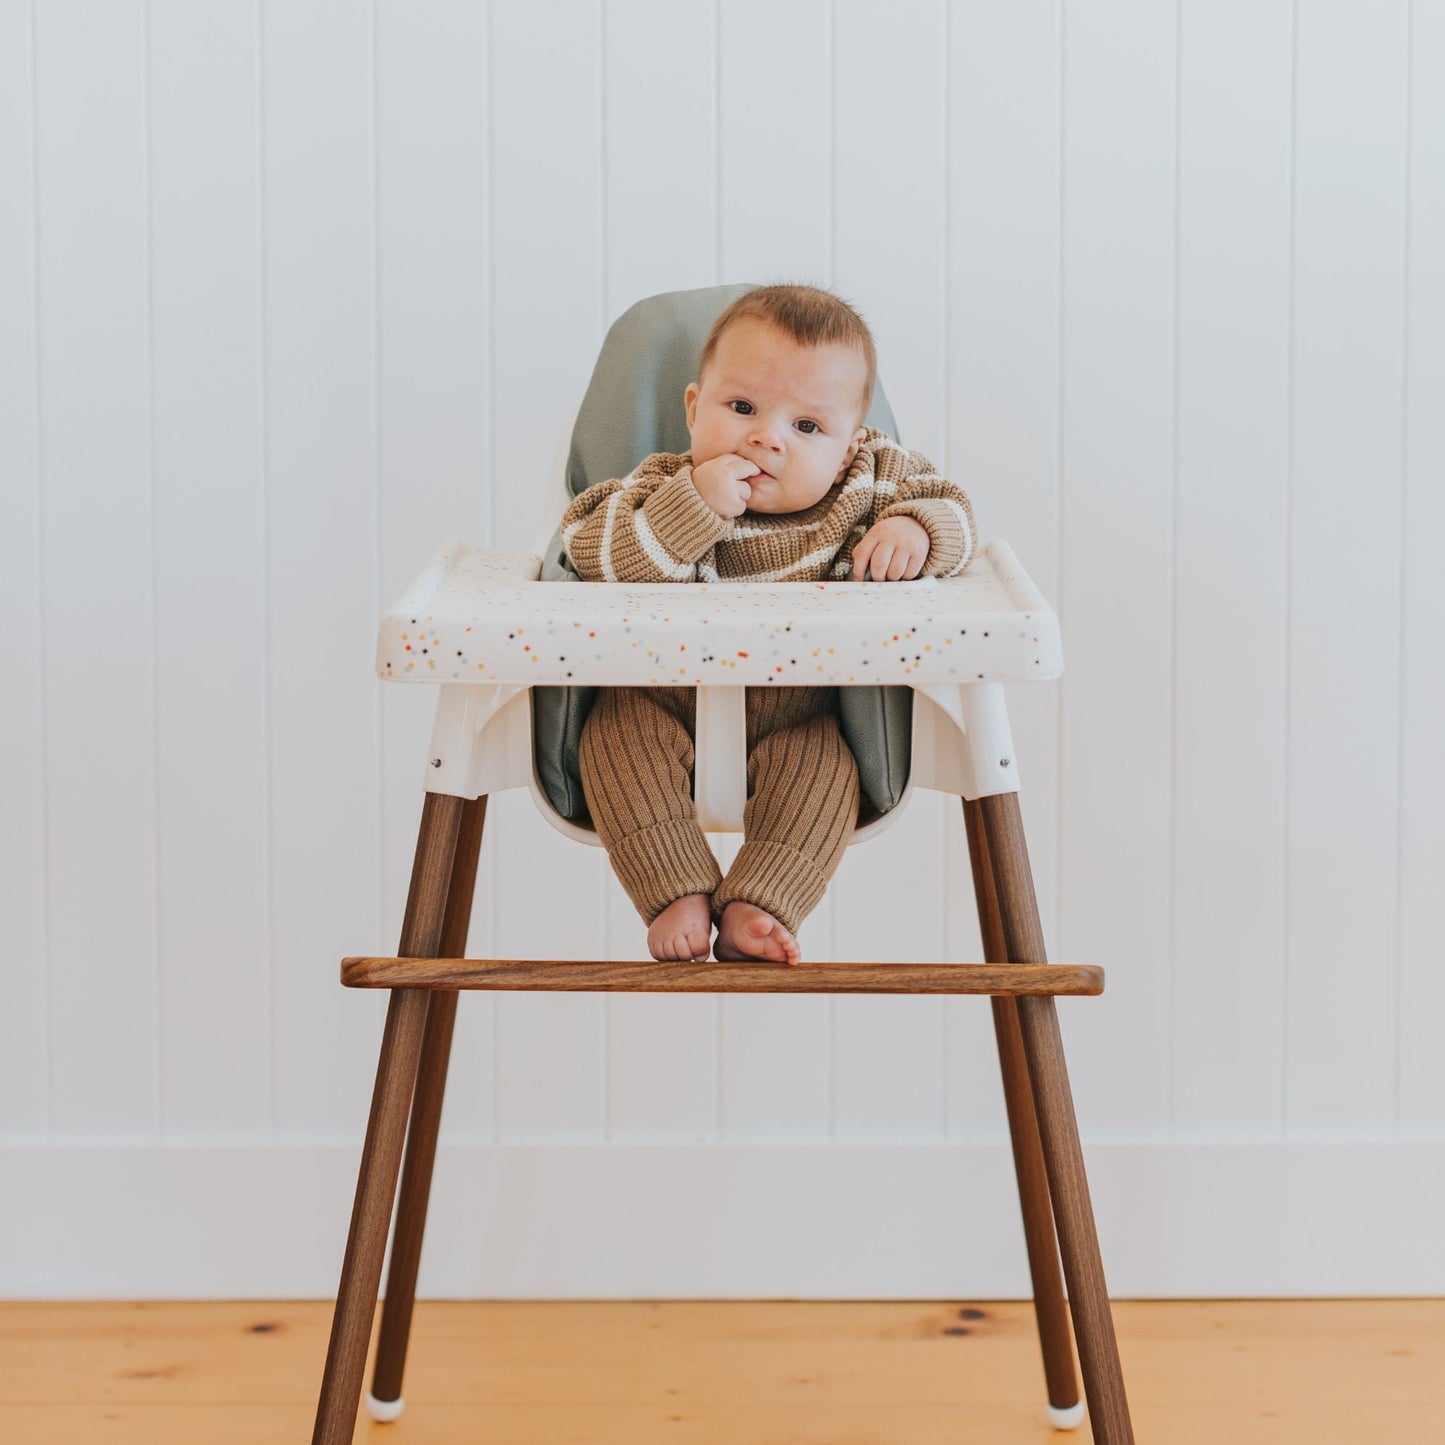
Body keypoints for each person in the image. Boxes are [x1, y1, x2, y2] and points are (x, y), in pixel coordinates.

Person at [562, 284, 977, 965]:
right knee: (612, 740)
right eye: (742, 407)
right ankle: (673, 890)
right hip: (660, 697)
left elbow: (955, 509)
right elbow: (587, 548)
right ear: (695, 409)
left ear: (847, 448)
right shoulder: (658, 484)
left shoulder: (867, 485)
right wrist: (688, 508)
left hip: (801, 711)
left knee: (824, 768)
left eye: (806, 427)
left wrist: (913, 528)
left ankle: (761, 902)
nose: (766, 438)